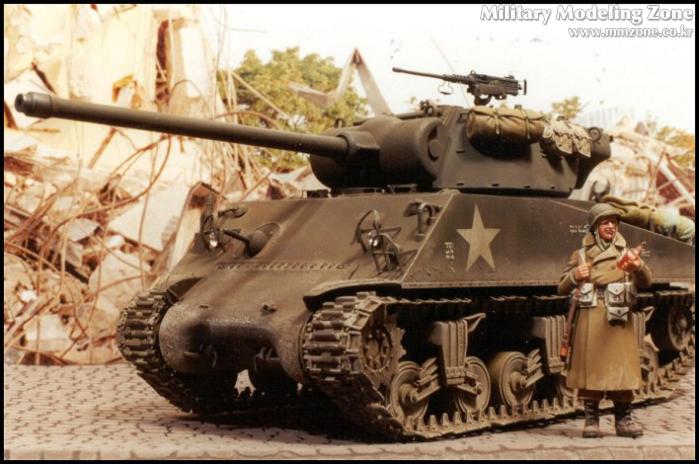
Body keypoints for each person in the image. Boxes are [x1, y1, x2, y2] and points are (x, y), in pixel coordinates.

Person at [558, 203, 652, 438]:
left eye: (614, 222)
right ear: (594, 227)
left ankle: (623, 421)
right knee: (591, 374)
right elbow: (561, 287)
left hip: (617, 317)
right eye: (605, 222)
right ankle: (591, 422)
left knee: (622, 371)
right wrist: (574, 275)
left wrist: (638, 266)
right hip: (591, 316)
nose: (611, 226)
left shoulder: (626, 253)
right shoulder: (581, 254)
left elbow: (647, 282)